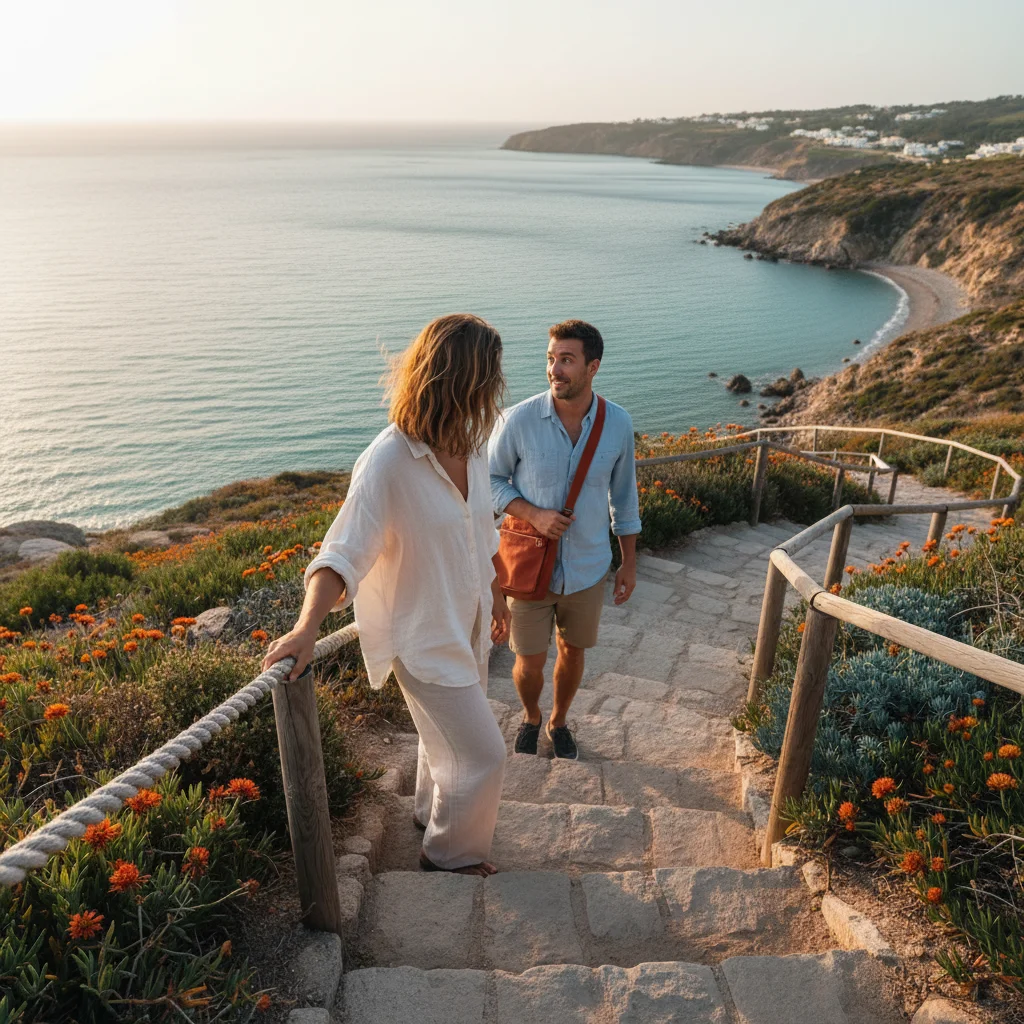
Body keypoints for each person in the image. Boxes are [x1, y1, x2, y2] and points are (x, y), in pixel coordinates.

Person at [263, 313, 511, 877]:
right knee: (482, 755)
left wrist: (498, 596)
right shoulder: (389, 461)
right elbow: (342, 552)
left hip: (467, 625)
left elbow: (480, 529)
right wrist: (306, 629)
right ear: (458, 381)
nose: (496, 389)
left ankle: (429, 814)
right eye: (487, 377)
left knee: (440, 741)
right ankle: (449, 855)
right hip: (423, 638)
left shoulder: (472, 444)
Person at [488, 319, 641, 760]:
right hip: (528, 567)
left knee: (573, 652)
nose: (555, 369)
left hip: (590, 567)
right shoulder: (516, 420)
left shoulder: (619, 424)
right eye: (551, 359)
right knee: (529, 661)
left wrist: (627, 563)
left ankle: (559, 721)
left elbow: (625, 499)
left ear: (593, 366)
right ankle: (531, 715)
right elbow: (491, 480)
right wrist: (532, 513)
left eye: (567, 360)